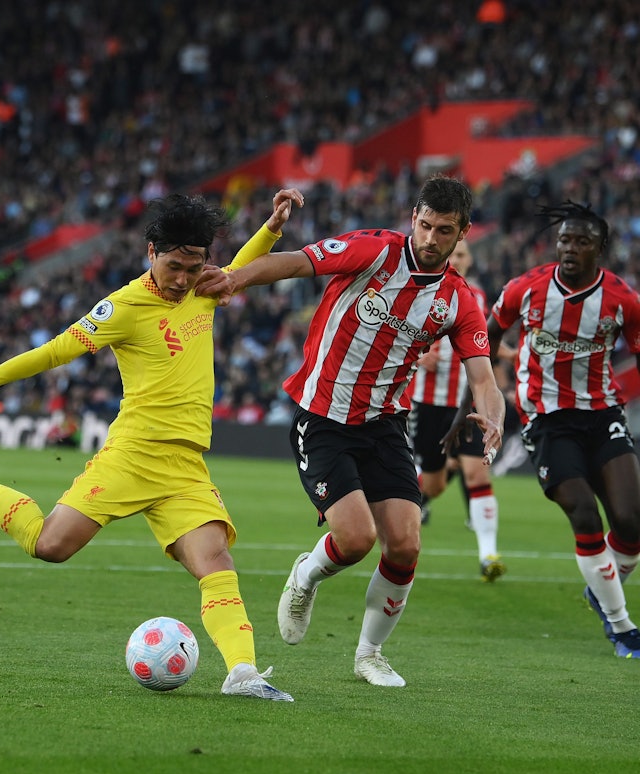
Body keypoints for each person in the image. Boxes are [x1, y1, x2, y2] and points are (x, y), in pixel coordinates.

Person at [0, 191, 302, 701]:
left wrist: (271, 227)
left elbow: (240, 267)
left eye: (195, 266)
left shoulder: (203, 288)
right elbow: (55, 351)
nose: (183, 279)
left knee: (216, 562)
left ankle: (243, 674)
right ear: (150, 252)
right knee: (50, 546)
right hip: (133, 453)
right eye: (174, 266)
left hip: (184, 465)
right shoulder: (122, 306)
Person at [196, 175, 506, 687]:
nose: (430, 239)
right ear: (413, 218)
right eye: (424, 225)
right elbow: (295, 262)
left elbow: (482, 377)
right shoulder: (373, 251)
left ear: (463, 232)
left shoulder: (459, 300)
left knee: (405, 544)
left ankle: (369, 654)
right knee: (357, 538)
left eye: (444, 230)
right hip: (321, 417)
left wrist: (492, 415)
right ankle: (306, 576)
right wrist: (235, 278)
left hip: (385, 424)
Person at [463, 201, 640, 659]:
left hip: (603, 416)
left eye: (582, 241)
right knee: (584, 513)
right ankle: (621, 628)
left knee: (631, 522)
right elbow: (488, 334)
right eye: (565, 240)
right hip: (546, 419)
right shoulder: (526, 288)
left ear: (600, 248)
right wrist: (486, 391)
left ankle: (603, 591)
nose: (570, 248)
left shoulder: (622, 300)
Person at [409, 239, 508, 581]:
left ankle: (488, 554)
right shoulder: (417, 289)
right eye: (454, 254)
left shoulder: (478, 298)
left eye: (464, 254)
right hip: (429, 404)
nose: (458, 259)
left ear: (470, 260)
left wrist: (508, 355)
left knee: (477, 473)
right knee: (434, 484)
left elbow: (486, 341)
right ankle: (404, 499)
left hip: (466, 405)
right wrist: (421, 357)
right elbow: (396, 337)